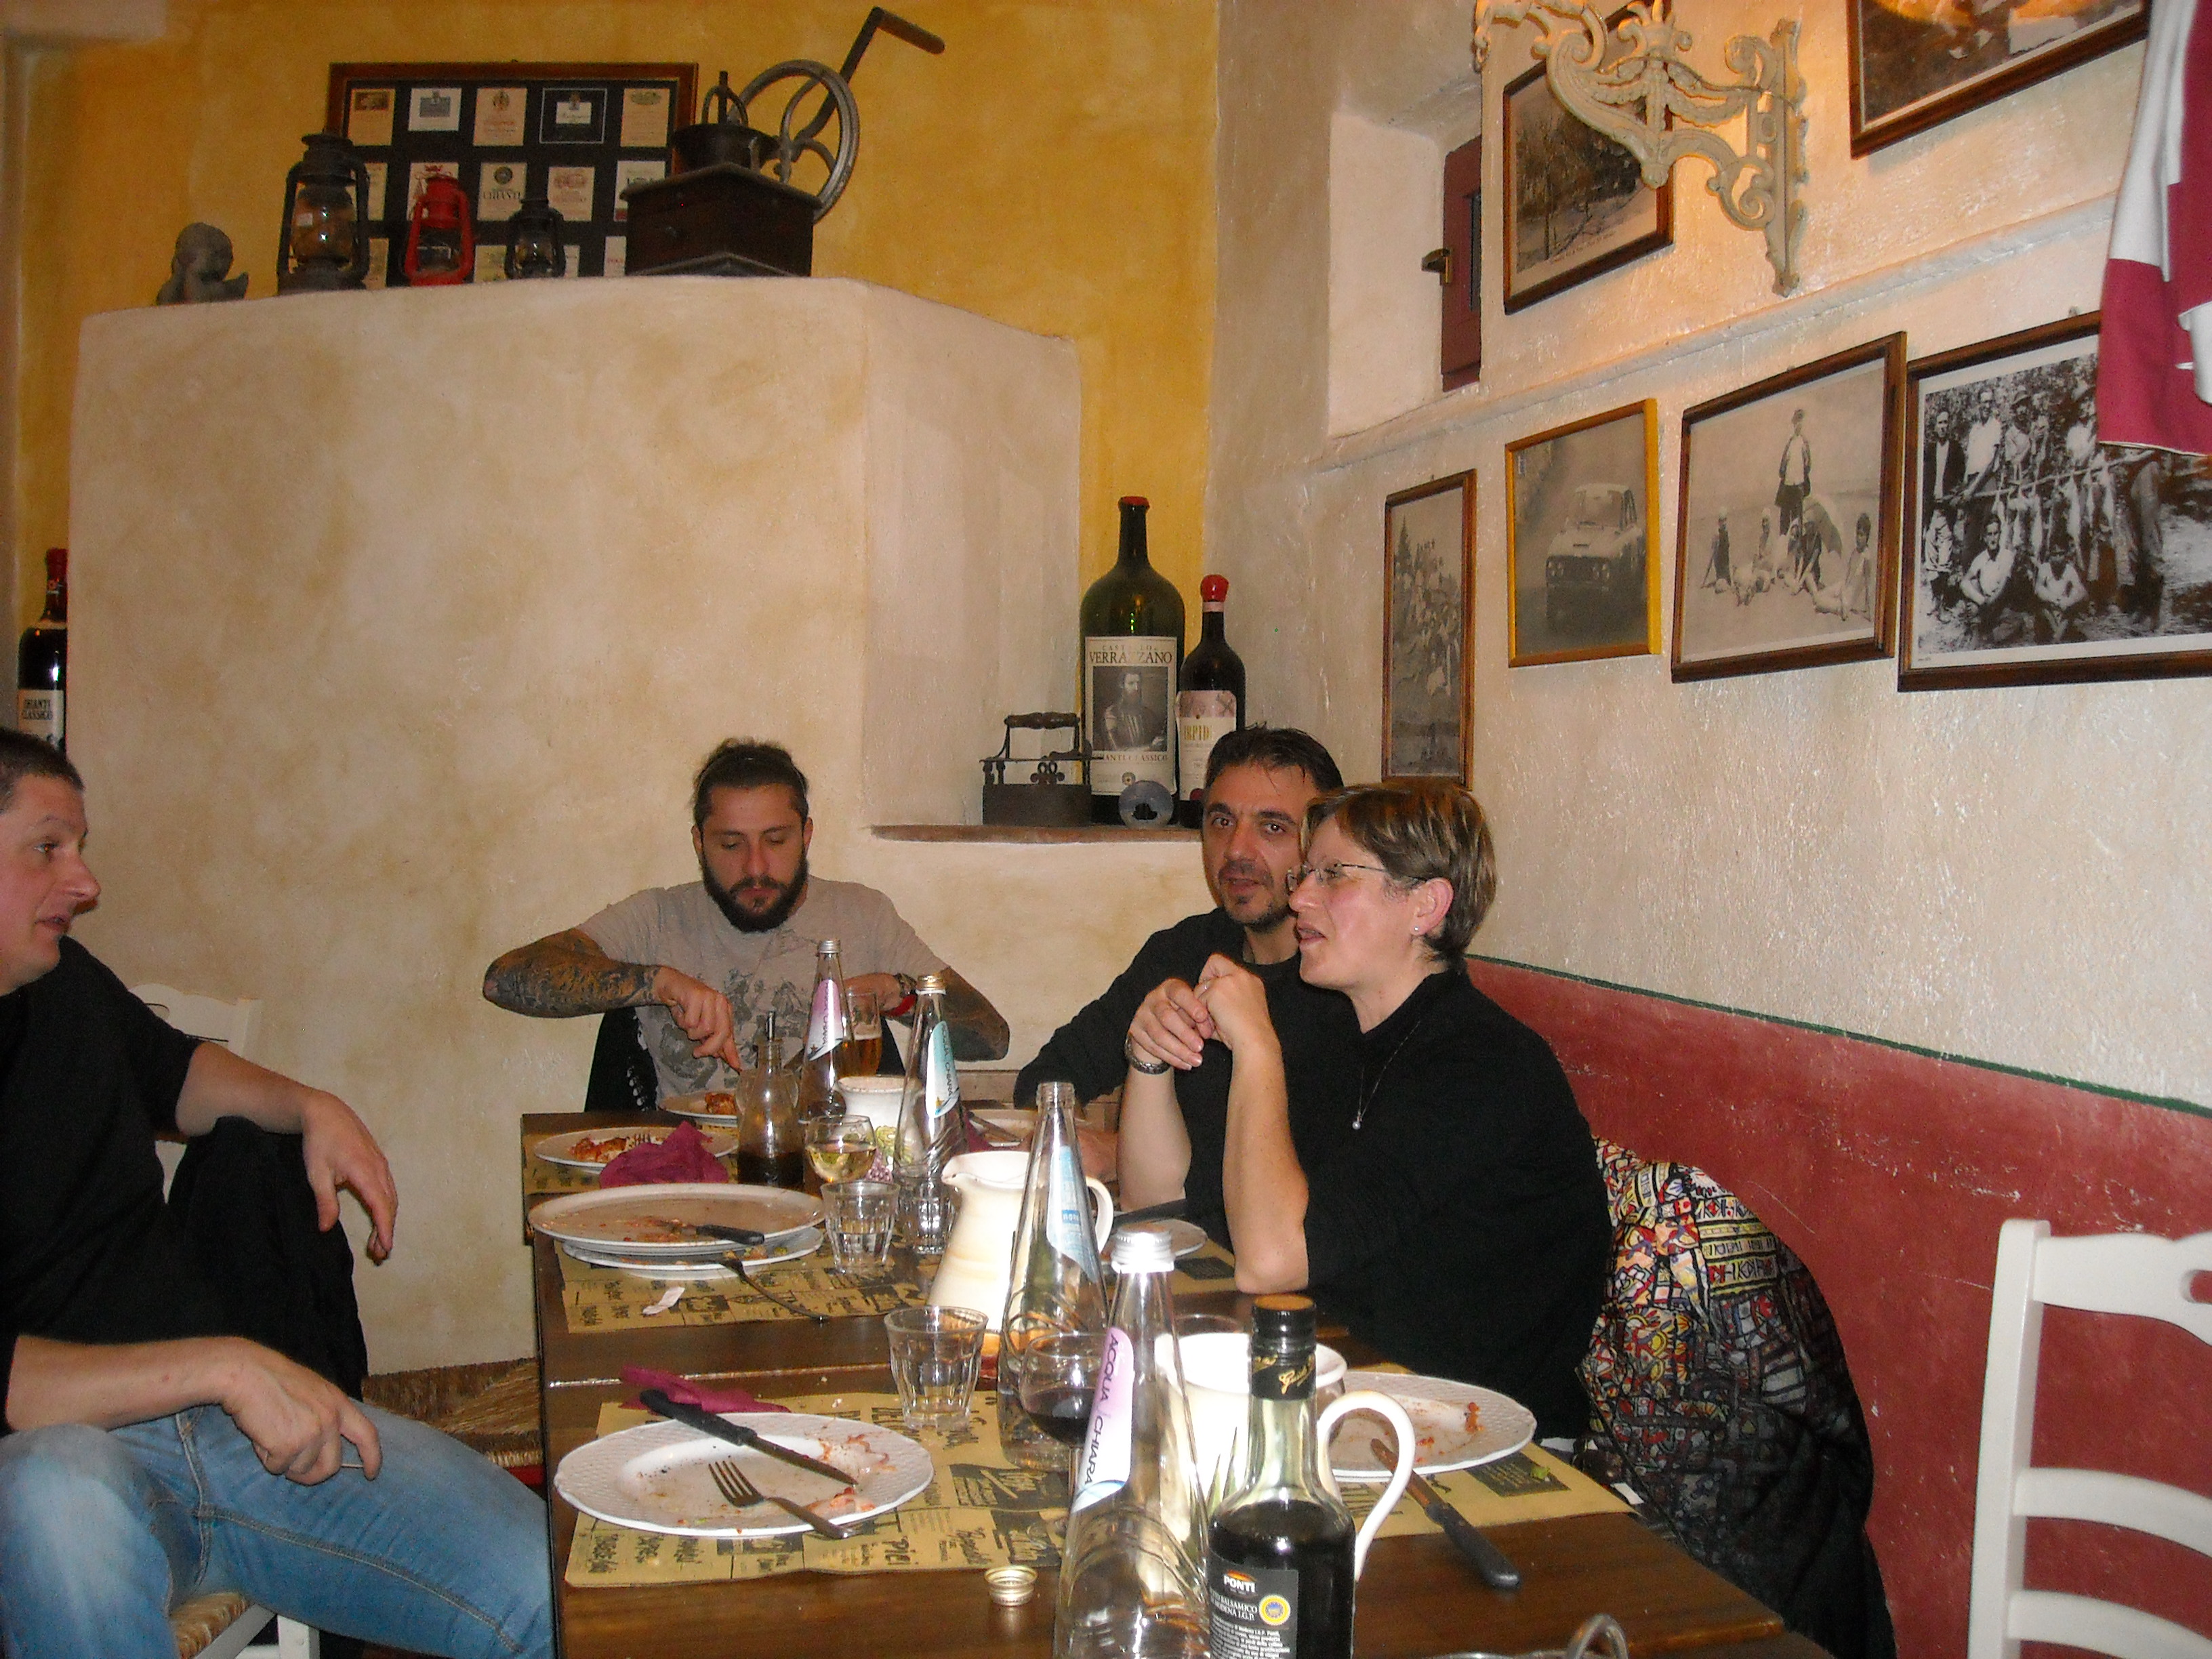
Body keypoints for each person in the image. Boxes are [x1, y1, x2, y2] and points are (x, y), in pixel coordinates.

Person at [0, 732, 550, 1659]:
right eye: (47, 848)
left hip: (227, 1439)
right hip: (67, 1465)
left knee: (553, 1589)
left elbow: (178, 1074)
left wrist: (309, 1106)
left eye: (80, 848)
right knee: (50, 1500)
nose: (84, 882)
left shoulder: (62, 985)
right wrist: (226, 1366)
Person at [1150, 779, 1608, 1439]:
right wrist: (1154, 1053)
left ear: (1425, 905)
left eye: (1334, 875)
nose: (1300, 897)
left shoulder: (1482, 1065)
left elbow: (1271, 1260)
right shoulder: (1345, 1038)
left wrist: (1256, 1047)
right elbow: (1183, 1206)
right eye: (1306, 873)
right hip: (1353, 1394)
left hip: (1484, 1438)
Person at [484, 740, 1007, 1097]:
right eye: (731, 845)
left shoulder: (862, 915)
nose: (756, 868)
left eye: (775, 841)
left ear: (806, 835)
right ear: (699, 843)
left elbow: (991, 1035)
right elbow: (505, 979)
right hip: (687, 1185)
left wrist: (902, 995)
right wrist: (657, 982)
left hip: (829, 1179)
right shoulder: (657, 918)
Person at [1017, 726, 1353, 1242]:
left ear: (1322, 848)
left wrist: (1120, 1149)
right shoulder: (1183, 952)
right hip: (1172, 1250)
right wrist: (1081, 1139)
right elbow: (1047, 1078)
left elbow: (1309, 1186)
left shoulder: (1347, 987)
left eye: (1272, 828)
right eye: (1222, 821)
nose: (1236, 850)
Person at [1776, 409, 1813, 539]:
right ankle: (1783, 544)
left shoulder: (1804, 443)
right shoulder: (1790, 443)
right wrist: (1785, 470)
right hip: (1787, 485)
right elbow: (1782, 468)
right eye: (1796, 422)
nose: (1798, 425)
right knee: (1785, 521)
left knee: (1797, 520)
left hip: (1798, 485)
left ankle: (1797, 543)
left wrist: (1801, 475)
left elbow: (1808, 465)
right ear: (1794, 424)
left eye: (1800, 421)